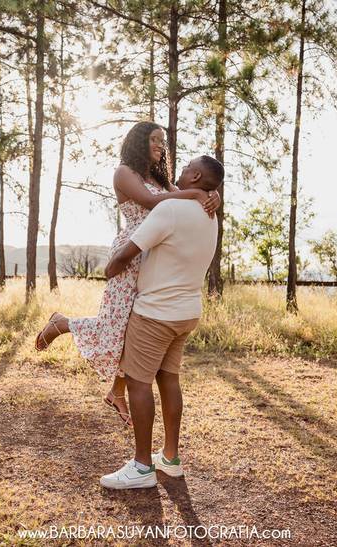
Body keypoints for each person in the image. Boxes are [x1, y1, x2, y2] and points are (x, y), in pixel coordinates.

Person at [33, 122, 219, 428]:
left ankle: (117, 391)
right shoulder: (124, 173)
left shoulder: (161, 179)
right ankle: (62, 323)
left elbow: (184, 199)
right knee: (115, 326)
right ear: (138, 142)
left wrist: (213, 195)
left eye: (162, 141)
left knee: (133, 330)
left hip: (155, 255)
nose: (160, 145)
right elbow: (150, 202)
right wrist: (199, 193)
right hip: (131, 252)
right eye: (154, 139)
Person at [98, 155, 223, 489]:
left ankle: (142, 466)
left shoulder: (169, 209)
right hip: (186, 312)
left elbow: (129, 252)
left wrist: (110, 269)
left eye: (187, 167)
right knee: (169, 380)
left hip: (155, 313)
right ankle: (170, 457)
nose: (180, 170)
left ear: (195, 176)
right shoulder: (210, 215)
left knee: (138, 383)